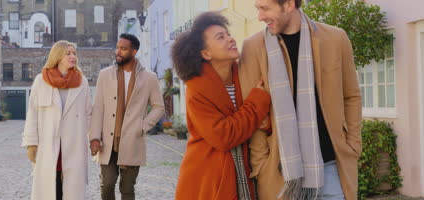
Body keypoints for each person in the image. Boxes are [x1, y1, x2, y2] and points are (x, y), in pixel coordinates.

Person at [239, 0, 362, 200]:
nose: (260, 16)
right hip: (279, 174)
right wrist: (261, 163)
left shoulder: (335, 39)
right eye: (258, 8)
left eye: (265, 8)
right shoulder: (253, 48)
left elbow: (351, 96)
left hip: (331, 168)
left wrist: (353, 144)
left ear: (289, 4)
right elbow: (251, 113)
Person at [173, 11, 272, 200]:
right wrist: (257, 102)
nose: (230, 39)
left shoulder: (245, 75)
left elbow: (261, 122)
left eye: (227, 34)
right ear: (206, 53)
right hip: (209, 174)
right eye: (221, 37)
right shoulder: (196, 90)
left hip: (248, 166)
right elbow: (224, 136)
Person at [89, 33, 164, 200]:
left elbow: (159, 107)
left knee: (127, 188)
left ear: (134, 51)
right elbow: (98, 107)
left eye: (123, 49)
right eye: (117, 47)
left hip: (132, 140)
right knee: (107, 184)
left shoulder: (149, 78)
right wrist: (94, 137)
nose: (118, 52)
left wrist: (142, 127)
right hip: (108, 141)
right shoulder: (105, 74)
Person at [22, 40, 92, 200]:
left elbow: (89, 114)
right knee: (50, 189)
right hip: (48, 144)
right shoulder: (41, 81)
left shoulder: (82, 82)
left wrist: (91, 138)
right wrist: (31, 143)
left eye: (74, 53)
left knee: (71, 189)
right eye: (68, 53)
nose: (73, 56)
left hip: (73, 145)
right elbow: (32, 113)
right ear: (58, 56)